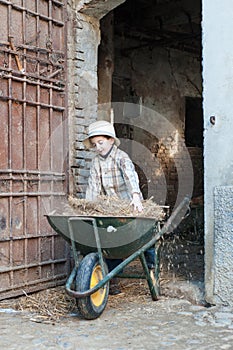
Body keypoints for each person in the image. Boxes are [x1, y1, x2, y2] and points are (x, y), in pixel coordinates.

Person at [83, 120, 155, 294]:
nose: (98, 147)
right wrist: (88, 207)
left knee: (143, 235)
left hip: (129, 203)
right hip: (110, 207)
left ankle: (152, 265)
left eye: (101, 142)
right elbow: (93, 187)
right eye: (94, 144)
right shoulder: (96, 163)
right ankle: (112, 278)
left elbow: (131, 178)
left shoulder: (121, 157)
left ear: (111, 140)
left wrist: (136, 197)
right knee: (112, 238)